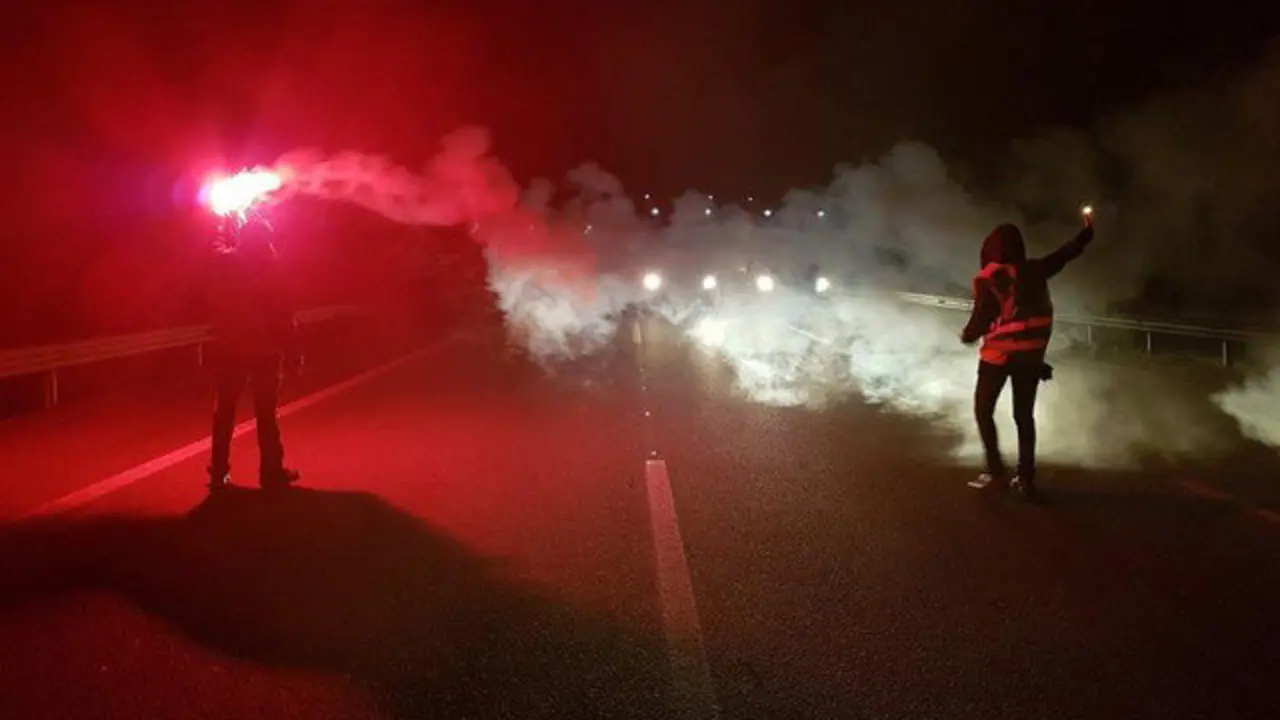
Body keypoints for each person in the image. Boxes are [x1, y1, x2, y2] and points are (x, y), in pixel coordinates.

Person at [960, 211, 1095, 499]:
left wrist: (967, 335)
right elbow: (1063, 256)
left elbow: (980, 321)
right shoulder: (1035, 270)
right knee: (1024, 416)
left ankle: (995, 472)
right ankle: (1025, 478)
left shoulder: (991, 279)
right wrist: (1085, 235)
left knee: (984, 411)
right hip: (1030, 359)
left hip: (997, 358)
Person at [205, 215, 303, 491]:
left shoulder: (226, 264)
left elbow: (215, 248)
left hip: (229, 350)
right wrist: (294, 353)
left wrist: (223, 224)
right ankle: (271, 472)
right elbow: (284, 316)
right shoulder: (270, 270)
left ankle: (219, 470)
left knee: (224, 411)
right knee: (266, 414)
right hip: (263, 351)